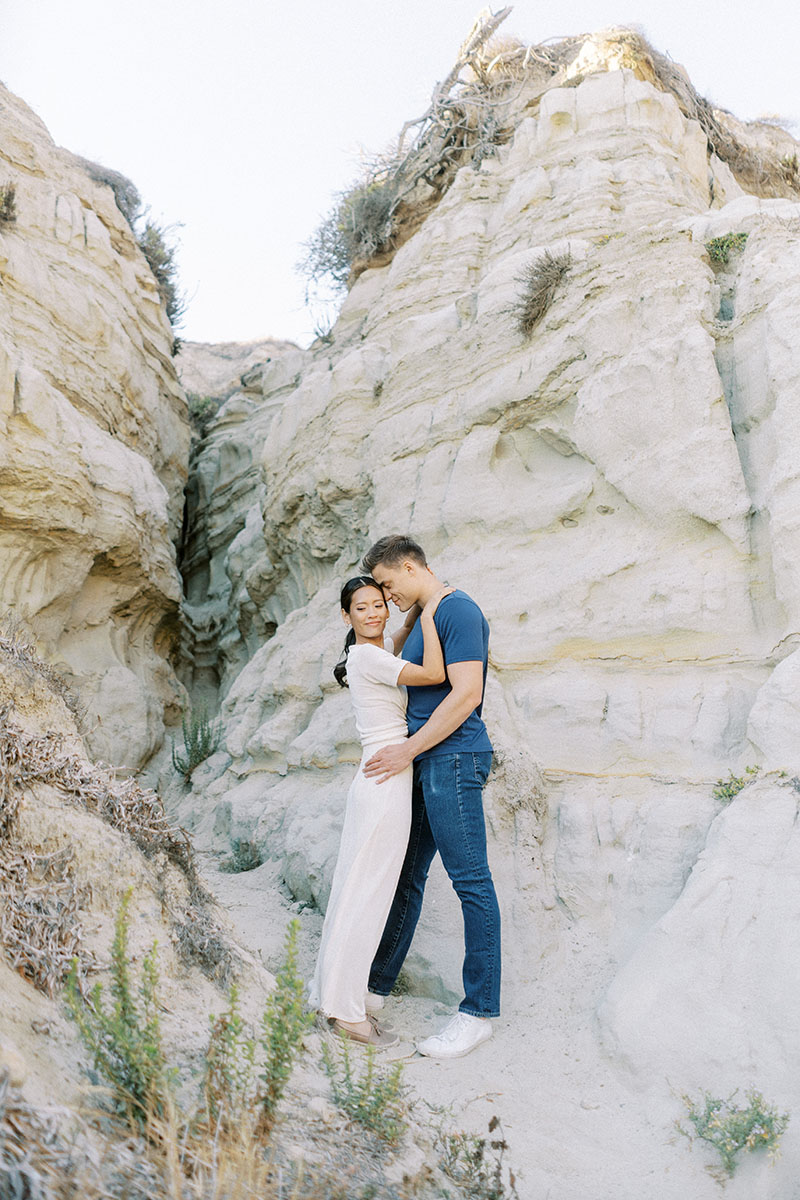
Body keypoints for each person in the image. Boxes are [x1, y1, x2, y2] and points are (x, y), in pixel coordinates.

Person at [361, 534, 500, 1059]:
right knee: (407, 874)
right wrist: (414, 609)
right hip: (426, 760)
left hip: (454, 758)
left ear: (412, 566)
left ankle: (478, 1012)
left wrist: (407, 751)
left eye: (390, 584)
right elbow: (391, 658)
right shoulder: (426, 614)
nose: (387, 594)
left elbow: (467, 694)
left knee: (471, 883)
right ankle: (374, 990)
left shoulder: (459, 611)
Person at [309, 573, 453, 1048]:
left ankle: (336, 1000)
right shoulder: (369, 655)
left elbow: (399, 636)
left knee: (359, 891)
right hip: (385, 782)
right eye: (361, 607)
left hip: (381, 779)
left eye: (378, 604)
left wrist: (412, 613)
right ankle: (347, 1014)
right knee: (367, 897)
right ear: (346, 615)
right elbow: (434, 673)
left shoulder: (373, 650)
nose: (372, 613)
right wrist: (433, 609)